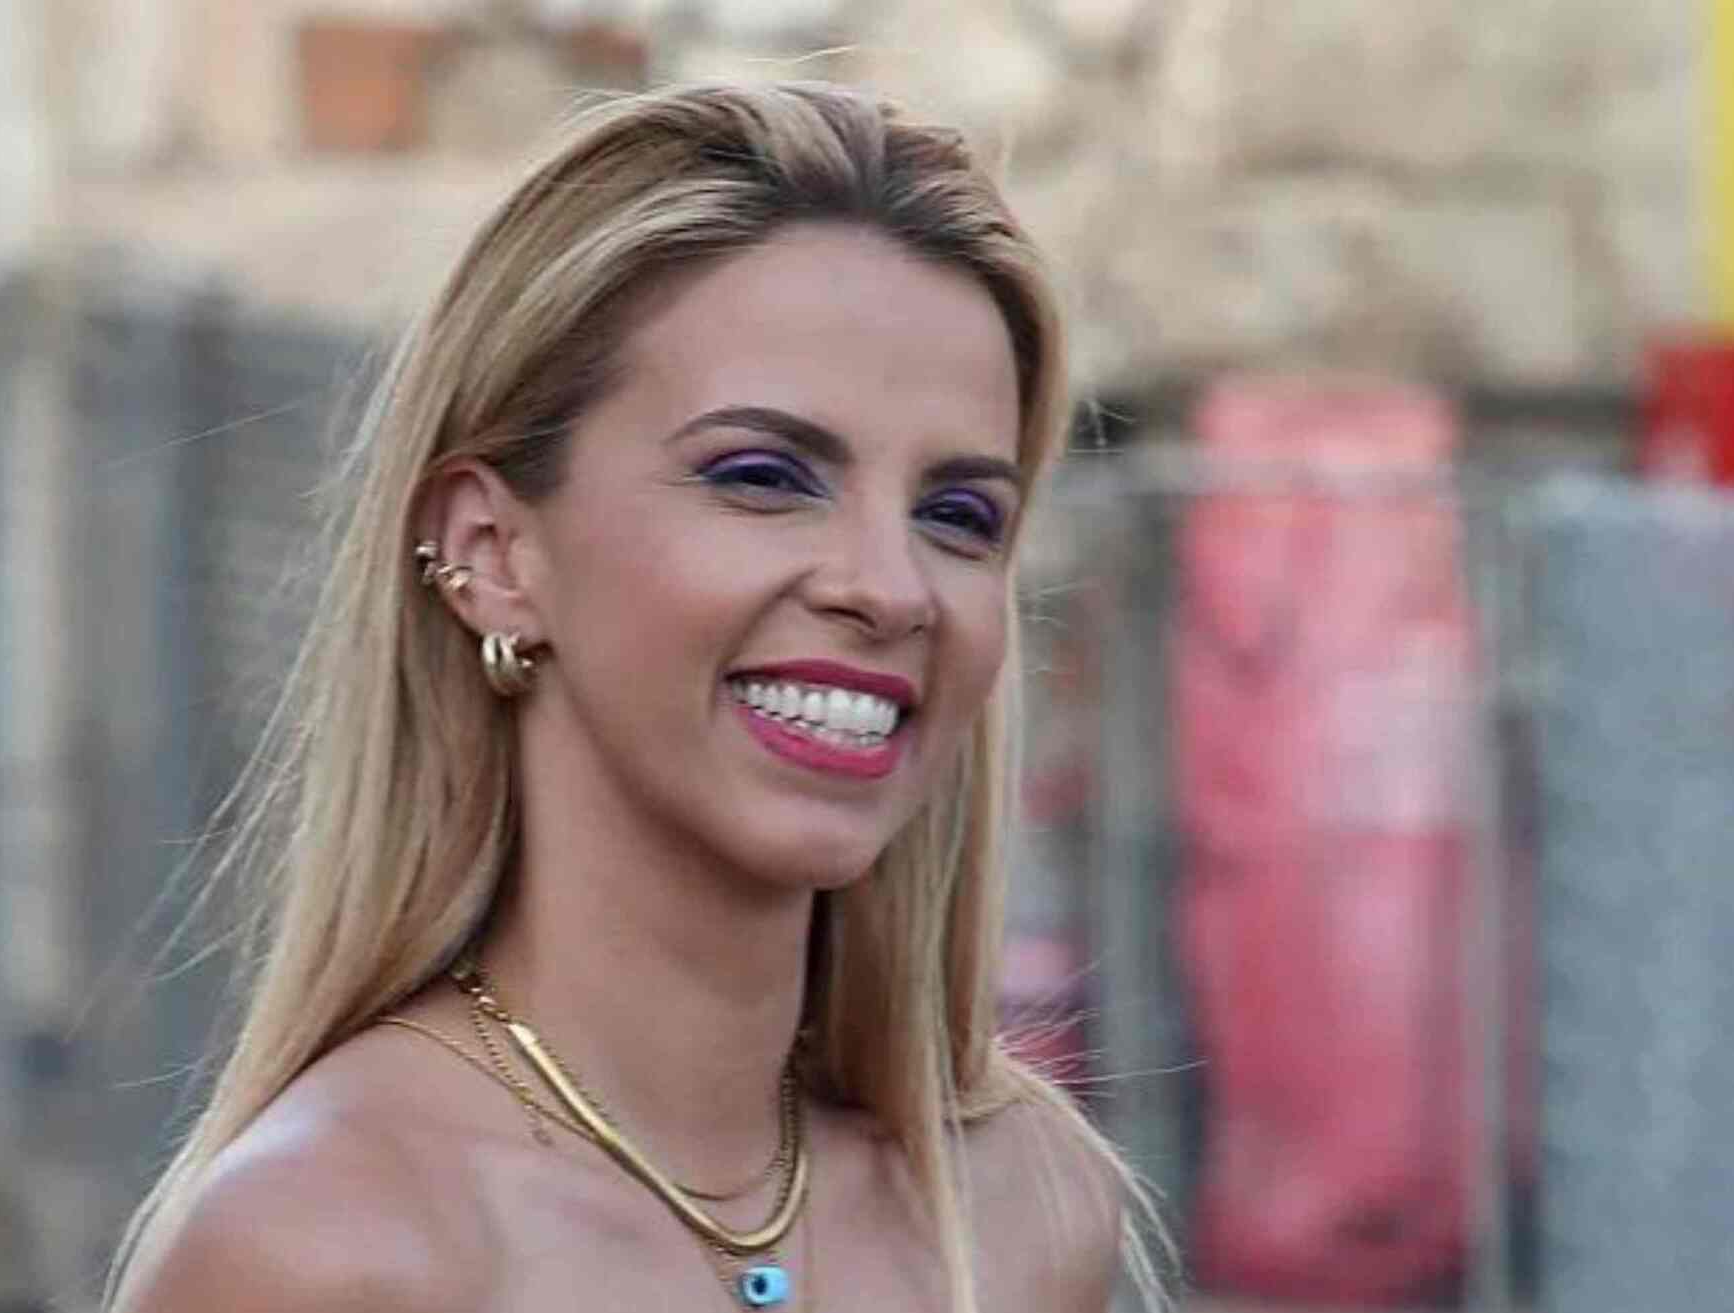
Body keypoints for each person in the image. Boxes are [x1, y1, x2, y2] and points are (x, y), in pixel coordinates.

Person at [107, 80, 1167, 1313]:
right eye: (763, 476)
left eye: (959, 514)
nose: (889, 587)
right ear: (493, 554)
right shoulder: (328, 1244)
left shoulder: (1025, 1207)